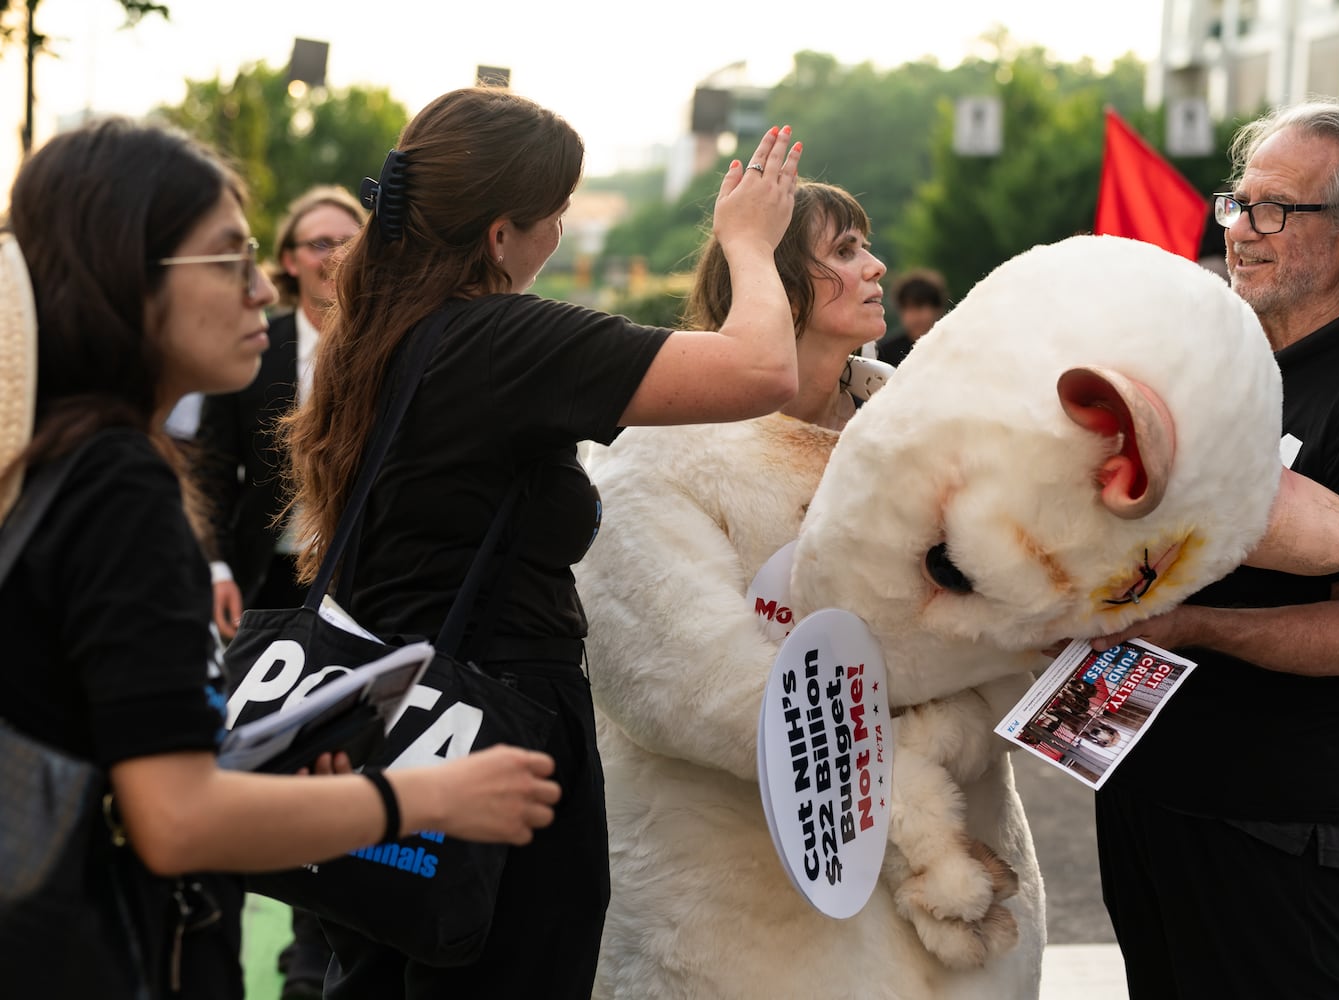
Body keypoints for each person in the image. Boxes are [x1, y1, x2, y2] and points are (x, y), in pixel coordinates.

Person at [0, 116, 562, 999]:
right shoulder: (118, 486)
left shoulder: (58, 462)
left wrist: (276, 771)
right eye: (229, 259)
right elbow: (176, 820)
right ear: (125, 273)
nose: (262, 289)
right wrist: (427, 800)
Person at [282, 87, 803, 998]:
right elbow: (762, 369)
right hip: (496, 727)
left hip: (380, 715)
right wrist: (750, 244)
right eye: (555, 215)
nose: (559, 236)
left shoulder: (377, 333)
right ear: (499, 234)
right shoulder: (502, 341)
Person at [1090, 101, 1339, 999]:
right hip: (1145, 782)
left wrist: (1191, 627)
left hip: (1269, 819)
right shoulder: (1227, 370)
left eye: (1277, 209)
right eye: (1239, 203)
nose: (1242, 232)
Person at [576, 181, 906, 995]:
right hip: (724, 902)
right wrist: (910, 753)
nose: (876, 266)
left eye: (864, 244)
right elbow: (676, 676)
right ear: (779, 279)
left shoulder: (915, 426)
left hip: (919, 905)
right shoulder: (669, 444)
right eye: (844, 251)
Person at [194, 183, 365, 998]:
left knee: (332, 753)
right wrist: (219, 566)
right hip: (262, 575)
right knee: (247, 745)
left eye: (348, 237)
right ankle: (220, 938)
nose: (333, 253)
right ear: (290, 260)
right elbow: (208, 465)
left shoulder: (388, 342)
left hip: (360, 583)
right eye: (316, 240)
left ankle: (311, 957)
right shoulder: (254, 346)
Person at [875, 267, 947, 366]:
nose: (914, 316)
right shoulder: (884, 353)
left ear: (937, 309)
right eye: (907, 308)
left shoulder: (953, 346)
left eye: (919, 307)